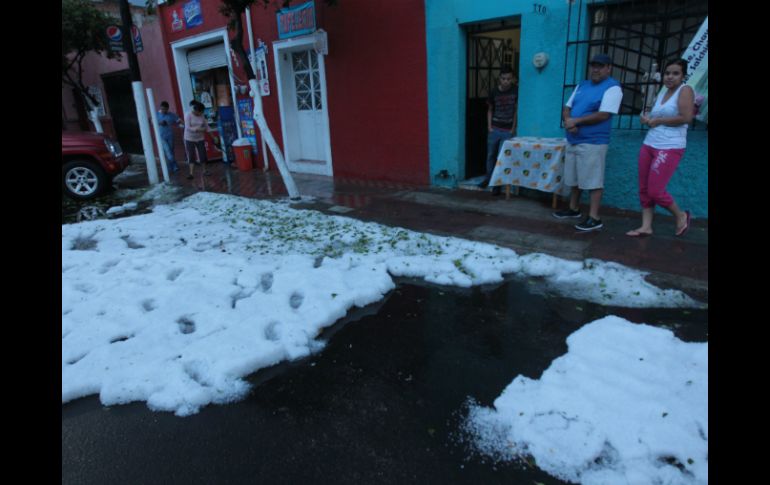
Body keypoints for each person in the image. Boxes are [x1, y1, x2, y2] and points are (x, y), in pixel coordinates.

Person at [553, 53, 623, 231]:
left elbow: (604, 114)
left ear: (609, 68)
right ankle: (573, 208)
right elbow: (567, 108)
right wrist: (569, 122)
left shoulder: (613, 87)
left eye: (600, 66)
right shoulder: (582, 85)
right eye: (593, 65)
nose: (595, 69)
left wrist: (576, 122)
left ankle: (594, 217)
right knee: (574, 178)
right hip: (574, 139)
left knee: (593, 181)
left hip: (593, 141)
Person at [626, 58, 694, 237]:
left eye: (675, 73)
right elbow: (654, 116)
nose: (670, 77)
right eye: (667, 73)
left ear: (683, 76)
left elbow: (686, 117)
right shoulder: (663, 92)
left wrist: (658, 121)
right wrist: (647, 118)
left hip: (670, 147)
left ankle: (681, 215)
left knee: (655, 190)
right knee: (644, 188)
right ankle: (646, 226)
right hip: (650, 144)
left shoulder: (685, 90)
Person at [480, 66, 518, 196]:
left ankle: (497, 184)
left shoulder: (515, 91)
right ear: (499, 79)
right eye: (503, 78)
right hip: (494, 128)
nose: (506, 81)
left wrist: (513, 129)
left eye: (508, 79)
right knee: (490, 155)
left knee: (500, 157)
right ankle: (488, 178)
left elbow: (515, 111)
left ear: (512, 79)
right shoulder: (493, 92)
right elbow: (490, 109)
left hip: (507, 130)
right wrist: (489, 127)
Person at [184, 101, 211, 180]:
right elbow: (188, 127)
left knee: (202, 154)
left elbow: (207, 127)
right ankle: (191, 173)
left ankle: (205, 171)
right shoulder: (188, 115)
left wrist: (213, 137)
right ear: (196, 110)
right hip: (189, 138)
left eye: (202, 112)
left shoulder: (202, 116)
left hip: (200, 138)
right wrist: (198, 129)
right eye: (200, 112)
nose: (201, 113)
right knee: (191, 155)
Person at [157, 101, 183, 173]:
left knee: (171, 151)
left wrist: (183, 125)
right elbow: (151, 121)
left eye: (165, 109)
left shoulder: (171, 115)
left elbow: (179, 120)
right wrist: (160, 123)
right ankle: (175, 166)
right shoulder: (157, 114)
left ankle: (170, 167)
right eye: (162, 109)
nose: (163, 111)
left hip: (170, 135)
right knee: (168, 152)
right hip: (161, 137)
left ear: (168, 108)